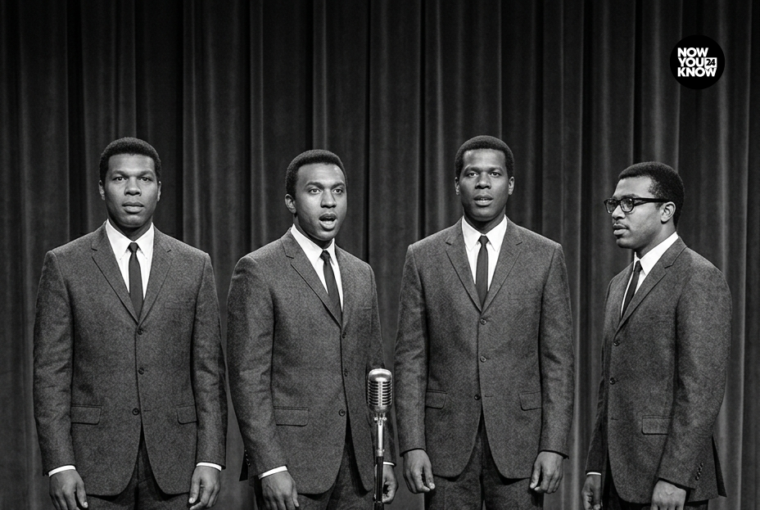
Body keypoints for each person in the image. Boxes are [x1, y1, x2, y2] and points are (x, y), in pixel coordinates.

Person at [33, 137, 228, 510]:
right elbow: (50, 374)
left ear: (159, 189)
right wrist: (59, 463)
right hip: (91, 466)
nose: (133, 189)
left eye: (145, 179)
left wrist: (211, 457)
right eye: (120, 178)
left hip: (178, 465)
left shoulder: (194, 265)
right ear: (101, 187)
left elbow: (208, 373)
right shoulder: (65, 264)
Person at [394, 135, 575, 509]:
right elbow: (410, 360)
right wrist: (412, 444)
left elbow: (558, 362)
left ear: (510, 184)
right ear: (456, 183)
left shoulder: (545, 256)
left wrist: (554, 446)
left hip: (521, 447)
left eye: (494, 174)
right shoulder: (423, 257)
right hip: (444, 447)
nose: (482, 183)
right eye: (472, 173)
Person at [227, 149, 397, 510]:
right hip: (292, 467)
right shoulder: (258, 269)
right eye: (315, 190)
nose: (329, 202)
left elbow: (373, 370)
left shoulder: (361, 273)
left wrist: (384, 456)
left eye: (338, 191)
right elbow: (248, 379)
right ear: (291, 201)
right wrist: (270, 465)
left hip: (358, 469)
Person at [582, 162, 731, 510]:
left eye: (630, 203)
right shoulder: (618, 284)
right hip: (615, 479)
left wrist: (676, 477)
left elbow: (701, 390)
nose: (616, 213)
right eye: (614, 203)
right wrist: (596, 466)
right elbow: (610, 385)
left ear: (666, 211)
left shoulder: (698, 276)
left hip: (667, 483)